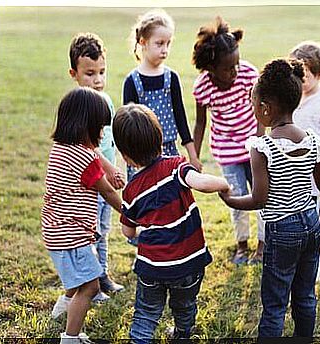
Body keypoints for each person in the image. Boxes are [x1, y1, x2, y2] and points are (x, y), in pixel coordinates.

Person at [219, 59, 320, 337]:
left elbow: (259, 199)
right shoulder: (311, 139)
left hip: (282, 230)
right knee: (305, 294)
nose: (252, 110)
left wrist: (231, 200)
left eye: (253, 105)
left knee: (274, 303)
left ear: (265, 108)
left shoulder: (263, 147)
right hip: (311, 225)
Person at [112, 103, 230, 342]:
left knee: (146, 313)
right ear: (160, 139)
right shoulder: (176, 167)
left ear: (125, 156)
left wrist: (135, 233)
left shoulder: (131, 191)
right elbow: (202, 183)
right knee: (185, 304)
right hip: (188, 262)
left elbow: (127, 230)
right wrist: (224, 184)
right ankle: (182, 334)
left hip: (152, 266)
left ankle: (140, 339)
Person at [51, 33, 125, 320]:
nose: (97, 80)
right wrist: (125, 206)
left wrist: (115, 167)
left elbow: (109, 144)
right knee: (87, 236)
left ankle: (100, 277)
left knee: (101, 231)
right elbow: (90, 153)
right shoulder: (76, 109)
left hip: (98, 179)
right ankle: (88, 286)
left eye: (102, 73)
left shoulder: (104, 102)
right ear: (74, 73)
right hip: (87, 186)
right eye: (90, 73)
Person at [41, 87, 123, 343]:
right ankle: (71, 336)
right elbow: (108, 192)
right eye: (99, 128)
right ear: (84, 126)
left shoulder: (61, 148)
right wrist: (129, 214)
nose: (102, 134)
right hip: (71, 234)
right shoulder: (85, 157)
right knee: (90, 286)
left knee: (77, 280)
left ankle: (63, 307)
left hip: (55, 230)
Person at [192, 16, 265, 265]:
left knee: (262, 195)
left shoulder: (248, 74)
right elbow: (201, 122)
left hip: (254, 148)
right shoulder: (203, 88)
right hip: (227, 153)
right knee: (236, 198)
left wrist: (259, 138)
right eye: (228, 68)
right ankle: (242, 245)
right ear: (211, 68)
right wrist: (194, 154)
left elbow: (261, 109)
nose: (235, 71)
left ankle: (263, 246)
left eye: (236, 64)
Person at [123, 8, 201, 182]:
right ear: (143, 42)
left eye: (168, 43)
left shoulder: (171, 78)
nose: (165, 49)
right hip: (141, 154)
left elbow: (180, 117)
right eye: (159, 43)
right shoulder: (131, 81)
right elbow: (127, 125)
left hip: (169, 151)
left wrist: (192, 155)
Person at [289, 41, 320, 283]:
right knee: (297, 214)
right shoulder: (293, 96)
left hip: (316, 172)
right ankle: (298, 255)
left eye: (306, 73)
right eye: (297, 71)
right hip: (292, 171)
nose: (301, 77)